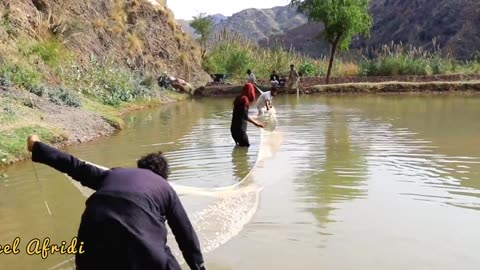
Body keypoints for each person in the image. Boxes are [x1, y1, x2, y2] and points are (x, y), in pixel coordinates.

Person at [26, 135, 206, 270]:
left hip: (91, 240)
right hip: (142, 248)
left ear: (140, 167)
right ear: (164, 176)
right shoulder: (165, 188)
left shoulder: (112, 174)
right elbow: (185, 235)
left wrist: (37, 147)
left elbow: (75, 166)